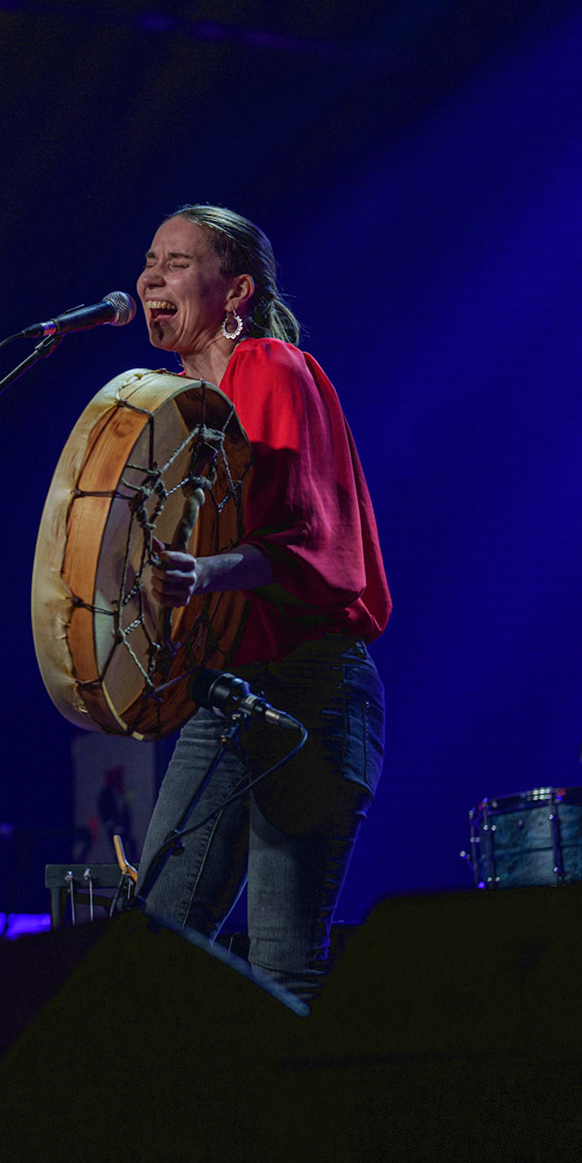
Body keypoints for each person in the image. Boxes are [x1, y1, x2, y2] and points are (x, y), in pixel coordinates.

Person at [134, 204, 390, 1003]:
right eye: (149, 260)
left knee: (283, 963)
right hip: (230, 692)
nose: (150, 278)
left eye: (178, 262)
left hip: (311, 686)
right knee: (149, 943)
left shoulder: (273, 369)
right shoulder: (171, 406)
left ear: (236, 290)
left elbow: (312, 542)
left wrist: (203, 574)